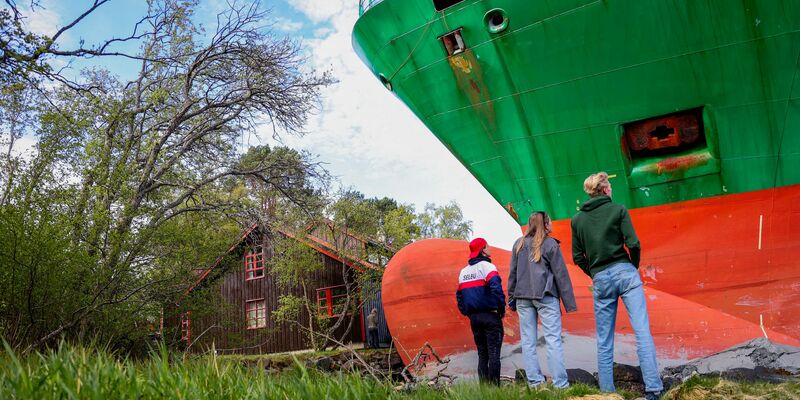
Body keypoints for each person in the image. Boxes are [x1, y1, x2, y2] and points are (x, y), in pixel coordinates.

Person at [571, 172, 664, 400]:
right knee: (642, 332)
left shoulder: (577, 221)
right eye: (610, 186)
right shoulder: (618, 210)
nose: (612, 189)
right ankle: (653, 390)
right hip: (625, 272)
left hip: (600, 278)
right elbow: (633, 243)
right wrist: (632, 266)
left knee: (604, 339)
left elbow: (577, 257)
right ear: (603, 190)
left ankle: (607, 392)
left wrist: (594, 273)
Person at [508, 211, 577, 388]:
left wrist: (511, 299)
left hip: (522, 297)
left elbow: (513, 274)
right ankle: (560, 384)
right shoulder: (550, 244)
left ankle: (535, 383)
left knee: (528, 341)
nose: (552, 224)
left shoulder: (519, 244)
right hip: (545, 296)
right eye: (550, 222)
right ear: (545, 225)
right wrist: (569, 303)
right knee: (553, 340)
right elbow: (561, 275)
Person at [456, 238, 506, 385]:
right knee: (494, 354)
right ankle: (495, 391)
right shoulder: (487, 267)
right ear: (483, 250)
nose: (490, 248)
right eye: (487, 246)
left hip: (475, 319)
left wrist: (467, 312)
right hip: (491, 316)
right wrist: (501, 309)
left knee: (482, 354)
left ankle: (484, 390)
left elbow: (459, 296)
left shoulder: (463, 272)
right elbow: (496, 289)